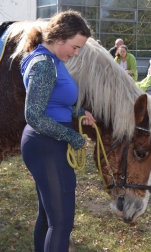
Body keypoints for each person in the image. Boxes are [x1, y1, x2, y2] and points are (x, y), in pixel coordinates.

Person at [20, 10, 96, 251]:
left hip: (48, 141)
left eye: (79, 49)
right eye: (74, 47)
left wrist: (78, 113)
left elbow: (53, 101)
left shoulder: (52, 59)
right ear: (60, 37)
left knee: (50, 217)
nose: (75, 53)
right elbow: (33, 115)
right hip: (46, 143)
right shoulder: (44, 64)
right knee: (61, 223)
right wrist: (71, 136)